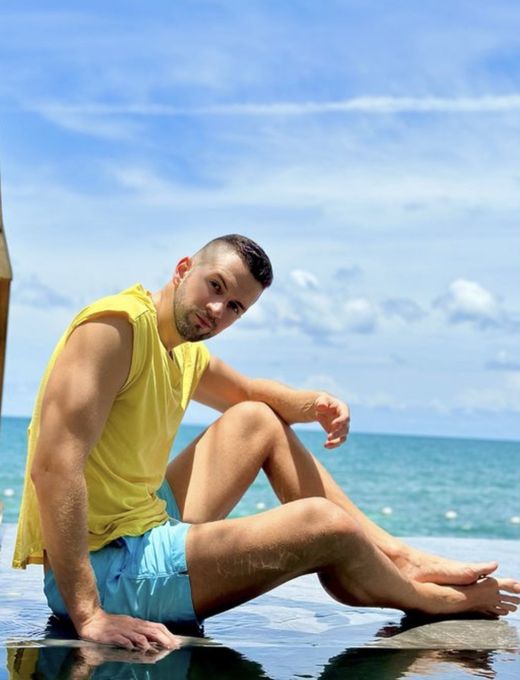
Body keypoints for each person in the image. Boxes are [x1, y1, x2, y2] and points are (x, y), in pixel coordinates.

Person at [13, 234, 520, 652]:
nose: (217, 310)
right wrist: (89, 613)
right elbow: (54, 468)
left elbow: (251, 394)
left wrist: (314, 404)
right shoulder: (115, 329)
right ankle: (433, 600)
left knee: (255, 419)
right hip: (104, 570)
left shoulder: (182, 349)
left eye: (235, 306)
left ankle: (395, 555)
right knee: (324, 524)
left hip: (143, 525)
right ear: (183, 269)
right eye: (215, 287)